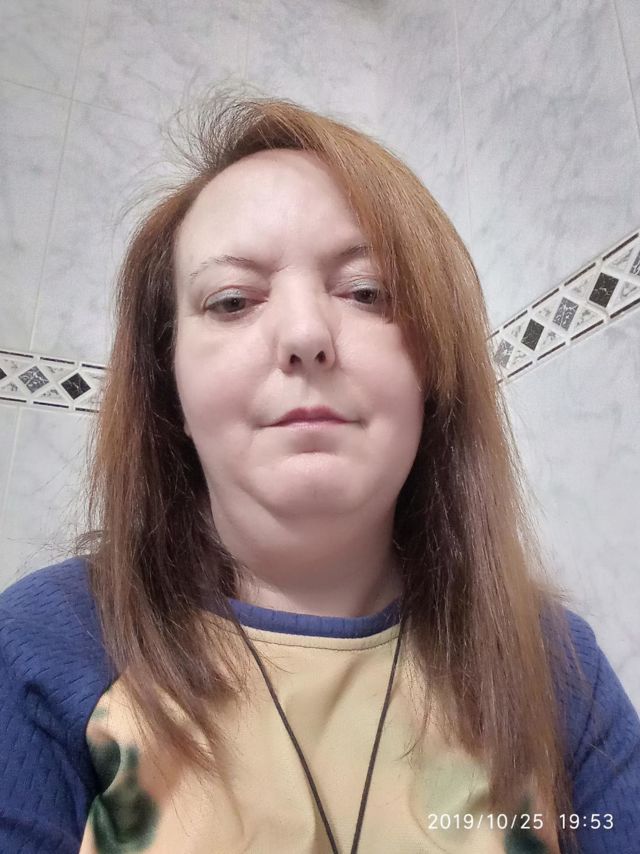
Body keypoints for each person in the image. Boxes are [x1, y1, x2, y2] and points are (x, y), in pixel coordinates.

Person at [0, 92, 639, 854]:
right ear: (169, 385)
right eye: (231, 301)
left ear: (432, 370)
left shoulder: (558, 666)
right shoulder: (45, 643)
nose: (305, 334)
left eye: (367, 292)